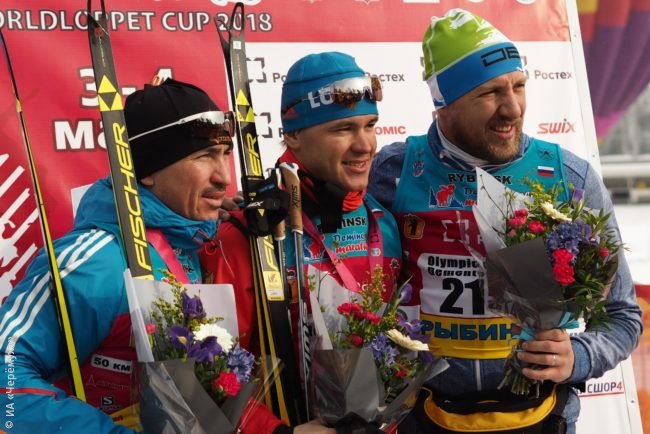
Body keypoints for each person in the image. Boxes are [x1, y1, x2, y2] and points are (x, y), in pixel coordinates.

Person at [367, 9, 642, 434]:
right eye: (490, 92)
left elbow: (622, 315)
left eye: (518, 86)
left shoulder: (569, 176)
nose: (512, 107)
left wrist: (579, 356)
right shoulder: (394, 171)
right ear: (444, 105)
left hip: (541, 417)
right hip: (429, 419)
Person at [0, 78, 234, 432]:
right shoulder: (95, 261)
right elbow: (6, 371)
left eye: (225, 153)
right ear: (148, 170)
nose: (224, 177)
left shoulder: (199, 246)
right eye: (204, 157)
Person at [201, 51, 405, 434]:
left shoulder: (385, 222)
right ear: (293, 135)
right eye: (343, 129)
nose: (365, 145)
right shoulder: (248, 234)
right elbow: (209, 369)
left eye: (370, 125)